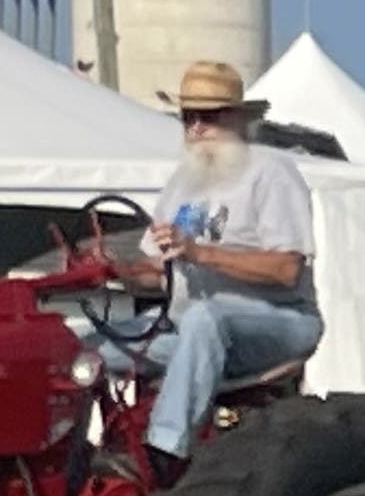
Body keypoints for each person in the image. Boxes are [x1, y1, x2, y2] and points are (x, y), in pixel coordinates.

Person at [109, 60, 322, 475]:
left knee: (206, 319)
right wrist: (112, 269)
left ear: (238, 119)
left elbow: (285, 269)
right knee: (80, 344)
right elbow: (158, 273)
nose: (196, 128)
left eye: (208, 117)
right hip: (187, 330)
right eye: (188, 117)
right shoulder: (183, 182)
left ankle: (166, 450)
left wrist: (200, 252)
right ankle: (74, 458)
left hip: (278, 322)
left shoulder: (271, 173)